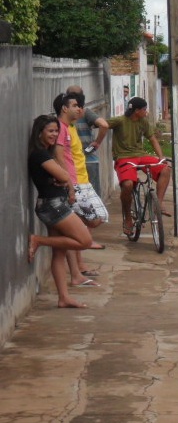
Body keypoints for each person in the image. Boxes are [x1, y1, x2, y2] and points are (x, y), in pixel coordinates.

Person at [27, 116, 99, 309]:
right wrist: (63, 178)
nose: (54, 135)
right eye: (50, 131)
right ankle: (38, 240)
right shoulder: (40, 155)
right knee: (84, 241)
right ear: (39, 132)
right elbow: (64, 175)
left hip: (54, 204)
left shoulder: (45, 154)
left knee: (59, 254)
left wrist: (62, 180)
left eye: (56, 131)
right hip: (53, 206)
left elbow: (61, 178)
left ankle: (63, 297)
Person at [106, 97, 172, 235]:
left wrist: (161, 158)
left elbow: (153, 139)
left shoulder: (143, 122)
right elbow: (103, 124)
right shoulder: (120, 121)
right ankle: (128, 218)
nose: (146, 112)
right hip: (124, 158)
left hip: (141, 155)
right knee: (128, 185)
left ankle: (158, 204)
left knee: (165, 169)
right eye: (144, 109)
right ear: (136, 111)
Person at [56, 91, 110, 240]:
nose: (79, 109)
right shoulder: (61, 128)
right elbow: (59, 157)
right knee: (92, 220)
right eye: (75, 105)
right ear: (64, 108)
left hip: (83, 179)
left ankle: (80, 240)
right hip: (74, 182)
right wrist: (69, 185)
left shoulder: (71, 126)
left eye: (80, 106)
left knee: (101, 216)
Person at [64, 85, 107, 193]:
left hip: (71, 163)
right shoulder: (85, 112)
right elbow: (104, 125)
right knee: (93, 198)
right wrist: (97, 143)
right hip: (89, 159)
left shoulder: (63, 114)